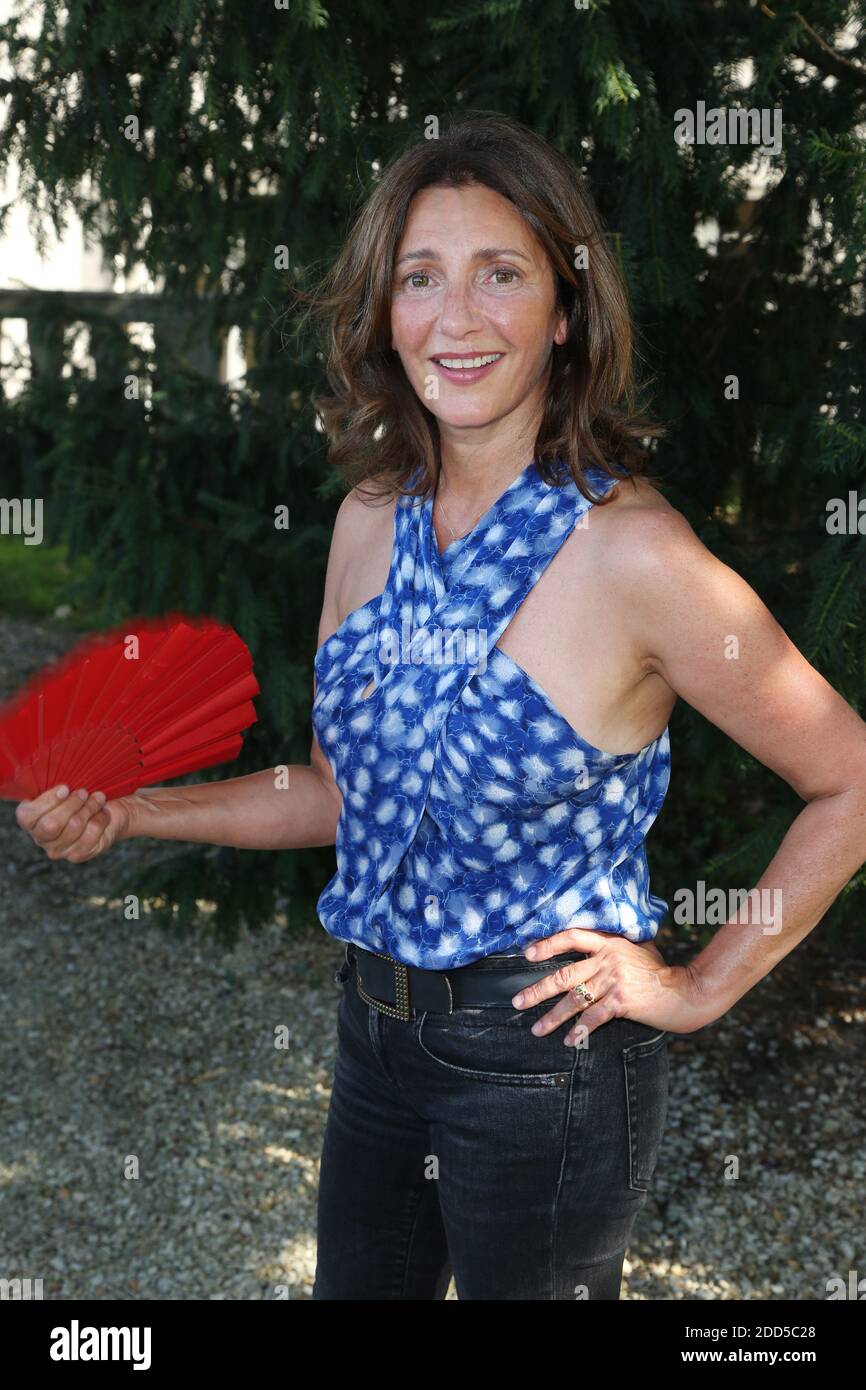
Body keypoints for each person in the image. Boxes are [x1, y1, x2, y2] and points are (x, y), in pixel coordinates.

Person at [15, 112, 866, 1301]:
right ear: (384, 310)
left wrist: (694, 984)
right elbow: (332, 792)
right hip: (375, 1038)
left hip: (545, 1067)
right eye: (421, 278)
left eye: (499, 275)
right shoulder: (371, 519)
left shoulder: (637, 555)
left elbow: (850, 778)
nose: (455, 319)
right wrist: (135, 812)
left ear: (564, 313)